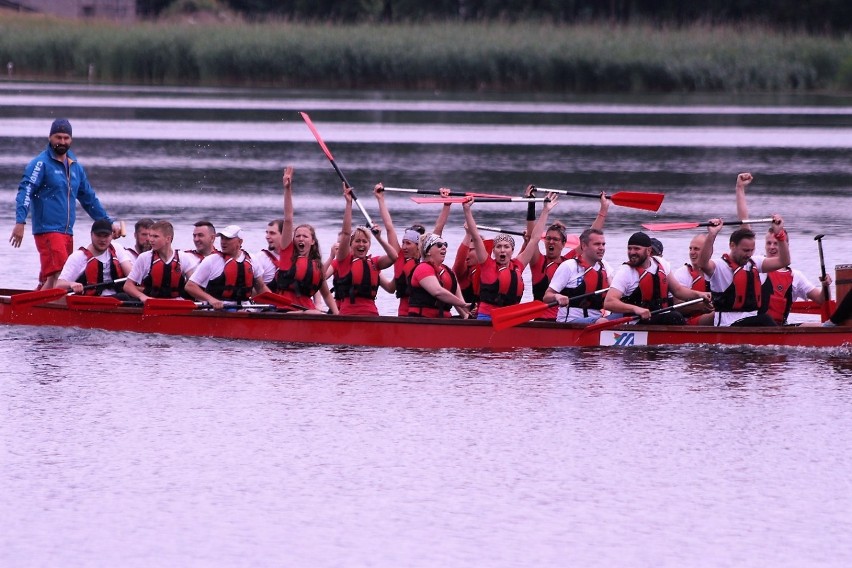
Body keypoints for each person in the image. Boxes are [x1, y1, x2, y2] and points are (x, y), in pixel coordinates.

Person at [10, 118, 117, 290]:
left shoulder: (75, 166)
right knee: (58, 276)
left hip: (67, 231)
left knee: (60, 276)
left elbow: (89, 199)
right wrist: (20, 221)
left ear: (71, 140)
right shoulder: (40, 164)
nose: (62, 141)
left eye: (66, 138)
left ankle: (34, 307)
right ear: (50, 137)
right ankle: (42, 313)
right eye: (58, 137)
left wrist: (108, 223)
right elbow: (25, 191)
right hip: (48, 230)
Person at [735, 171, 831, 324]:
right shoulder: (755, 264)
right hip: (755, 326)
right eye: (768, 243)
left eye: (776, 243)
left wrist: (825, 285)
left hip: (780, 329)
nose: (772, 247)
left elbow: (821, 299)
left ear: (785, 245)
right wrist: (740, 189)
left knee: (817, 325)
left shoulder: (796, 276)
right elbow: (744, 224)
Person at [466, 192, 560, 320]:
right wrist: (467, 209)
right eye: (498, 247)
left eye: (506, 247)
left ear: (512, 250)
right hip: (487, 317)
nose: (502, 250)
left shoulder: (518, 264)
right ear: (493, 251)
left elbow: (534, 239)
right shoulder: (487, 264)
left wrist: (545, 211)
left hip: (511, 317)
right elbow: (476, 237)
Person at [524, 187, 609, 319]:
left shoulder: (568, 262)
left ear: (564, 243)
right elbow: (531, 237)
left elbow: (591, 238)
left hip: (565, 319)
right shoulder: (538, 262)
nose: (551, 242)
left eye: (555, 239)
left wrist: (604, 209)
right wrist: (533, 203)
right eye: (548, 238)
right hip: (543, 322)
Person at [373, 183, 452, 316]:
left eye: (408, 243)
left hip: (421, 313)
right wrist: (380, 199)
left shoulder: (425, 259)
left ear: (418, 246)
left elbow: (438, 229)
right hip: (403, 314)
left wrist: (446, 204)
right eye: (403, 242)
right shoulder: (398, 257)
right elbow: (389, 227)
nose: (403, 247)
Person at [698, 215, 789, 327]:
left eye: (751, 250)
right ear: (732, 246)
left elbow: (784, 261)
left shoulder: (755, 263)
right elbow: (702, 263)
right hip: (728, 327)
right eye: (745, 250)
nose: (749, 254)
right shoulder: (719, 266)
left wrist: (780, 234)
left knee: (764, 319)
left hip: (750, 325)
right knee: (765, 319)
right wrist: (712, 234)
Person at [605, 231, 711, 325]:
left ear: (648, 251)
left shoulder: (661, 263)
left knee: (675, 316)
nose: (632, 252)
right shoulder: (625, 271)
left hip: (659, 317)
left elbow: (678, 290)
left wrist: (699, 294)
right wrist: (636, 309)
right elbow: (609, 302)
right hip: (637, 321)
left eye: (637, 249)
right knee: (675, 317)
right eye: (629, 248)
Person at [274, 167, 338, 314]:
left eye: (305, 236)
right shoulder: (287, 255)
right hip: (286, 312)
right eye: (297, 236)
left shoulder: (316, 266)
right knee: (314, 313)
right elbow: (288, 219)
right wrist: (287, 189)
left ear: (313, 241)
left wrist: (338, 317)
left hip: (308, 312)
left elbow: (327, 295)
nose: (300, 239)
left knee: (316, 313)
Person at [331, 185, 398, 316]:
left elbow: (393, 257)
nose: (361, 244)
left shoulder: (374, 263)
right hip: (348, 315)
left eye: (364, 241)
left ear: (369, 245)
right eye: (357, 241)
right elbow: (345, 233)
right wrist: (349, 203)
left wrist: (379, 238)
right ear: (351, 245)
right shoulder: (344, 261)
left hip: (371, 314)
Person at [184, 225, 270, 309]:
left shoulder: (252, 260)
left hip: (244, 307)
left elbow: (261, 287)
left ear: (240, 242)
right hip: (217, 309)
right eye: (222, 238)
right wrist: (211, 299)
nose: (223, 242)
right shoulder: (212, 260)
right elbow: (190, 286)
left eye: (228, 239)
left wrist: (275, 303)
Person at [544, 228, 614, 325]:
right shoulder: (569, 266)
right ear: (584, 246)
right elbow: (547, 296)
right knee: (602, 322)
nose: (601, 248)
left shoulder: (605, 266)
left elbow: (615, 293)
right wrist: (557, 296)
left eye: (603, 244)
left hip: (597, 318)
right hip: (571, 322)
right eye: (597, 244)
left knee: (628, 314)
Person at [123, 220, 200, 301]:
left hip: (177, 304)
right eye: (150, 236)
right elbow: (128, 286)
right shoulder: (144, 258)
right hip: (151, 303)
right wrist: (142, 297)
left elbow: (192, 286)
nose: (151, 240)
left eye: (155, 236)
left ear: (168, 239)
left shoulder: (183, 257)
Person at [54, 219, 133, 296]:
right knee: (123, 296)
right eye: (98, 235)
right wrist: (71, 284)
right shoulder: (78, 257)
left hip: (119, 299)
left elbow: (131, 275)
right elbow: (59, 285)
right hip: (92, 301)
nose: (102, 240)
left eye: (106, 236)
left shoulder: (117, 248)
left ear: (112, 236)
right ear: (91, 234)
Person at [407, 233, 470, 318]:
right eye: (439, 245)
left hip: (444, 321)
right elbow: (438, 292)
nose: (444, 247)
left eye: (445, 245)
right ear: (428, 251)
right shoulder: (423, 268)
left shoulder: (449, 272)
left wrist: (468, 316)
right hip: (422, 320)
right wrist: (463, 304)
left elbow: (460, 303)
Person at [671, 233, 714, 325]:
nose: (692, 252)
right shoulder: (682, 273)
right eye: (690, 248)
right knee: (718, 315)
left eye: (696, 249)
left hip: (715, 317)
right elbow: (677, 305)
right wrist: (701, 306)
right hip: (690, 321)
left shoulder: (718, 271)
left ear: (708, 251)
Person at [255, 218, 284, 292]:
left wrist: (318, 302)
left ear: (284, 235)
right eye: (267, 232)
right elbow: (254, 289)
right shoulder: (259, 258)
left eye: (272, 233)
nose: (267, 236)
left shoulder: (296, 257)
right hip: (269, 301)